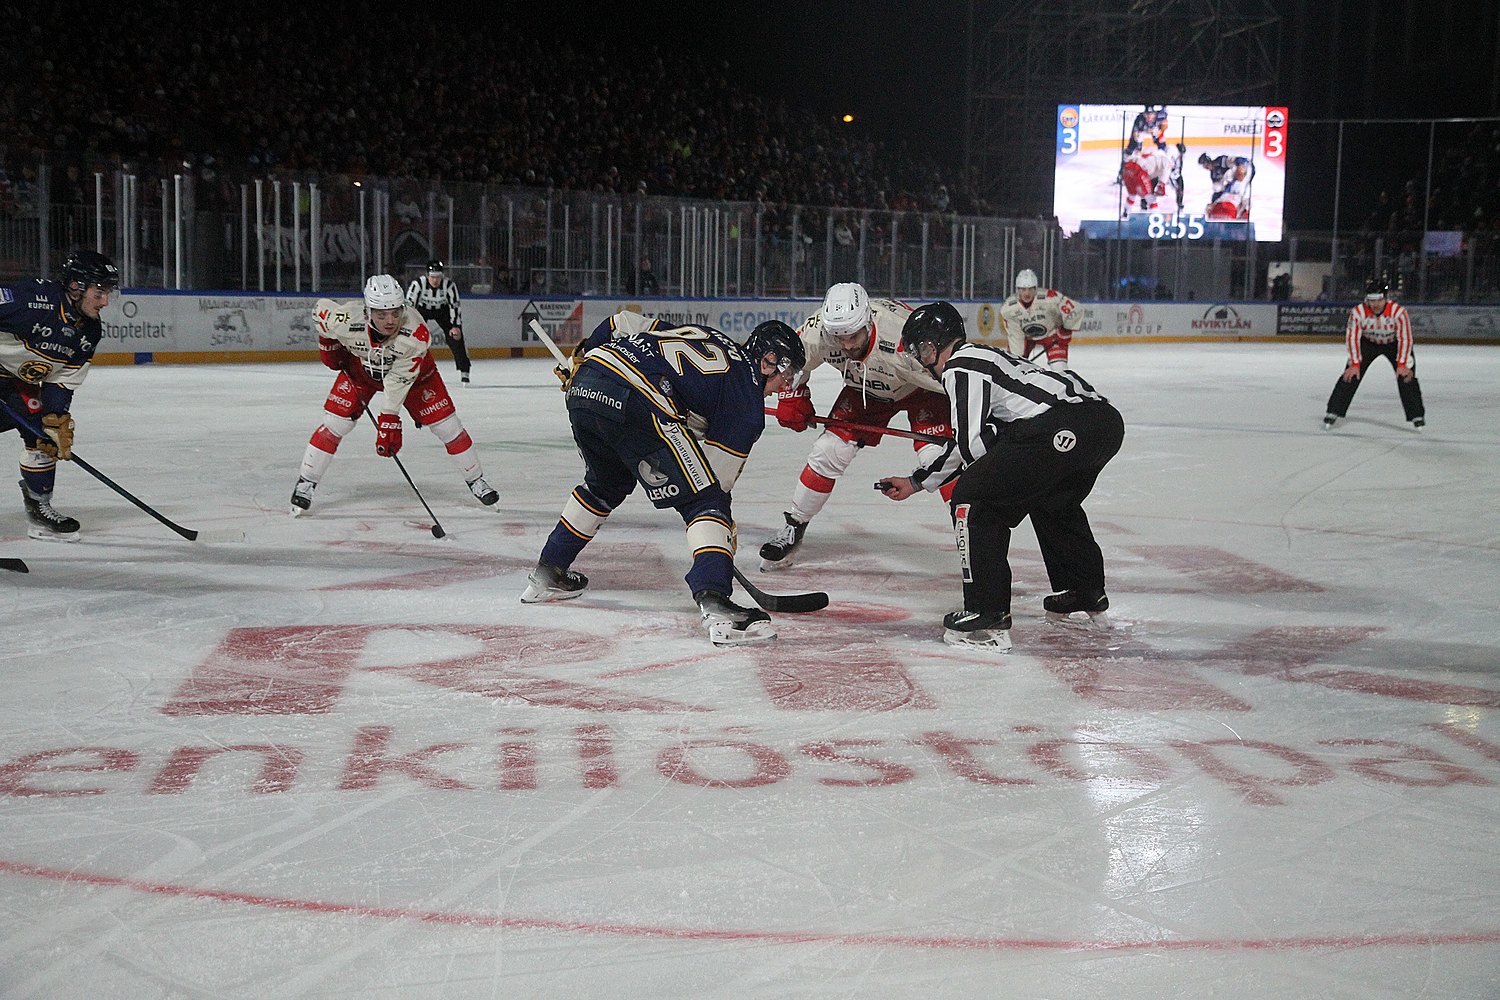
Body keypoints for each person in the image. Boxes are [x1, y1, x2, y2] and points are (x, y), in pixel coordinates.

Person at [521, 320, 805, 647]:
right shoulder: (746, 399)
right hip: (638, 396)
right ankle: (717, 605)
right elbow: (715, 481)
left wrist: (582, 356)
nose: (786, 385)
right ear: (767, 360)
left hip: (586, 381)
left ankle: (548, 573)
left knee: (605, 486)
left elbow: (623, 320)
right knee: (706, 501)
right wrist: (722, 535)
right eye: (788, 373)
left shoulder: (711, 336)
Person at [877, 301, 1124, 652]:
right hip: (1102, 424)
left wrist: (989, 450)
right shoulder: (988, 357)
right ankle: (1083, 590)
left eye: (921, 350)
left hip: (1058, 426)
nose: (920, 360)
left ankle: (986, 614)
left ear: (935, 345)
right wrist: (916, 481)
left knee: (971, 498)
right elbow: (980, 441)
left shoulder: (960, 366)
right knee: (1053, 500)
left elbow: (972, 445)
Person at [759, 282, 953, 570]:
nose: (847, 345)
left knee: (937, 458)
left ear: (868, 322)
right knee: (828, 451)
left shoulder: (902, 337)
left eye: (853, 336)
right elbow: (792, 362)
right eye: (840, 338)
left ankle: (972, 533)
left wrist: (975, 415)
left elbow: (953, 377)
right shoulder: (820, 331)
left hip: (919, 390)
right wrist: (793, 395)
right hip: (863, 388)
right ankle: (794, 525)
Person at [290, 274, 498, 515]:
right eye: (381, 314)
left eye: (396, 312)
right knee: (335, 423)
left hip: (416, 376)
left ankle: (476, 480)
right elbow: (320, 312)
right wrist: (328, 344)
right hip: (362, 368)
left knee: (448, 426)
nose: (390, 320)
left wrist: (389, 418)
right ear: (367, 312)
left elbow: (398, 381)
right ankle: (306, 481)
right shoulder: (344, 319)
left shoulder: (415, 334)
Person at [0, 249, 119, 541]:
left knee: (44, 433)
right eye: (100, 291)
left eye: (108, 292)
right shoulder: (31, 300)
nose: (105, 301)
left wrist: (56, 415)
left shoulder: (89, 331)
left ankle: (39, 511)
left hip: (15, 383)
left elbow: (62, 379)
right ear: (76, 287)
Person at [1323, 278, 1425, 431]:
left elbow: (1405, 338)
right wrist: (1355, 364)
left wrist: (1402, 364)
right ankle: (1333, 411)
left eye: (1379, 300)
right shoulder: (1358, 312)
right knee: (1350, 374)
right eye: (1371, 300)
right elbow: (1352, 338)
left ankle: (1416, 415)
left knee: (1406, 377)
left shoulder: (1398, 312)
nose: (1375, 304)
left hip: (1394, 343)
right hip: (1368, 343)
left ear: (1385, 298)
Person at [999, 270, 1084, 371]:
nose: (1027, 293)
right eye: (1023, 289)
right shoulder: (1009, 309)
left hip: (1051, 336)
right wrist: (1017, 359)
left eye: (1030, 289)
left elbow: (1075, 310)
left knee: (1060, 369)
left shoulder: (1051, 298)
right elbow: (1016, 335)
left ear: (1036, 288)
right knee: (1014, 368)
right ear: (1017, 290)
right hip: (1026, 338)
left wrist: (1064, 331)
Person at [405, 260, 470, 383]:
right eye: (432, 277)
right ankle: (408, 368)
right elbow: (409, 306)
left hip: (442, 311)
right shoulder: (418, 284)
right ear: (427, 275)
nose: (435, 280)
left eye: (438, 277)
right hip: (422, 311)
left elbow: (454, 306)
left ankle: (464, 370)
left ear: (442, 276)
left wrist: (455, 325)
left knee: (456, 337)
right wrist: (409, 325)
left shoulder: (449, 285)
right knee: (412, 339)